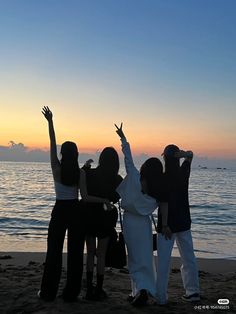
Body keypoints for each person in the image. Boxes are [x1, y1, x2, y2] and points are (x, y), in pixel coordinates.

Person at [39, 106, 112, 302]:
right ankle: (71, 293)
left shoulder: (56, 168)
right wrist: (104, 199)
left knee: (53, 252)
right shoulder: (79, 173)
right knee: (75, 254)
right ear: (77, 154)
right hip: (76, 212)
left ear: (63, 154)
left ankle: (47, 293)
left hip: (59, 211)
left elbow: (52, 142)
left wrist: (50, 122)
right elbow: (86, 197)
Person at [115, 123, 168, 307]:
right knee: (145, 258)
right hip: (144, 224)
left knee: (134, 258)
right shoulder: (157, 192)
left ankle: (140, 291)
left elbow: (127, 157)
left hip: (130, 222)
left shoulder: (136, 176)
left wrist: (123, 138)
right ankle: (140, 290)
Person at [156, 144, 200, 304]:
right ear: (177, 158)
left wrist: (166, 224)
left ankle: (161, 296)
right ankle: (193, 291)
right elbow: (191, 155)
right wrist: (184, 154)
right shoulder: (183, 173)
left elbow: (163, 202)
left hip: (166, 224)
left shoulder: (163, 177)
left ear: (165, 159)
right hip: (183, 222)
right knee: (189, 258)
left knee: (163, 261)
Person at [81, 148, 123, 301]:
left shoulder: (89, 174)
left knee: (90, 252)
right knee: (102, 254)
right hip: (106, 217)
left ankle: (89, 290)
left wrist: (85, 167)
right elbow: (118, 198)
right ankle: (99, 289)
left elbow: (83, 190)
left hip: (89, 216)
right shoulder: (117, 179)